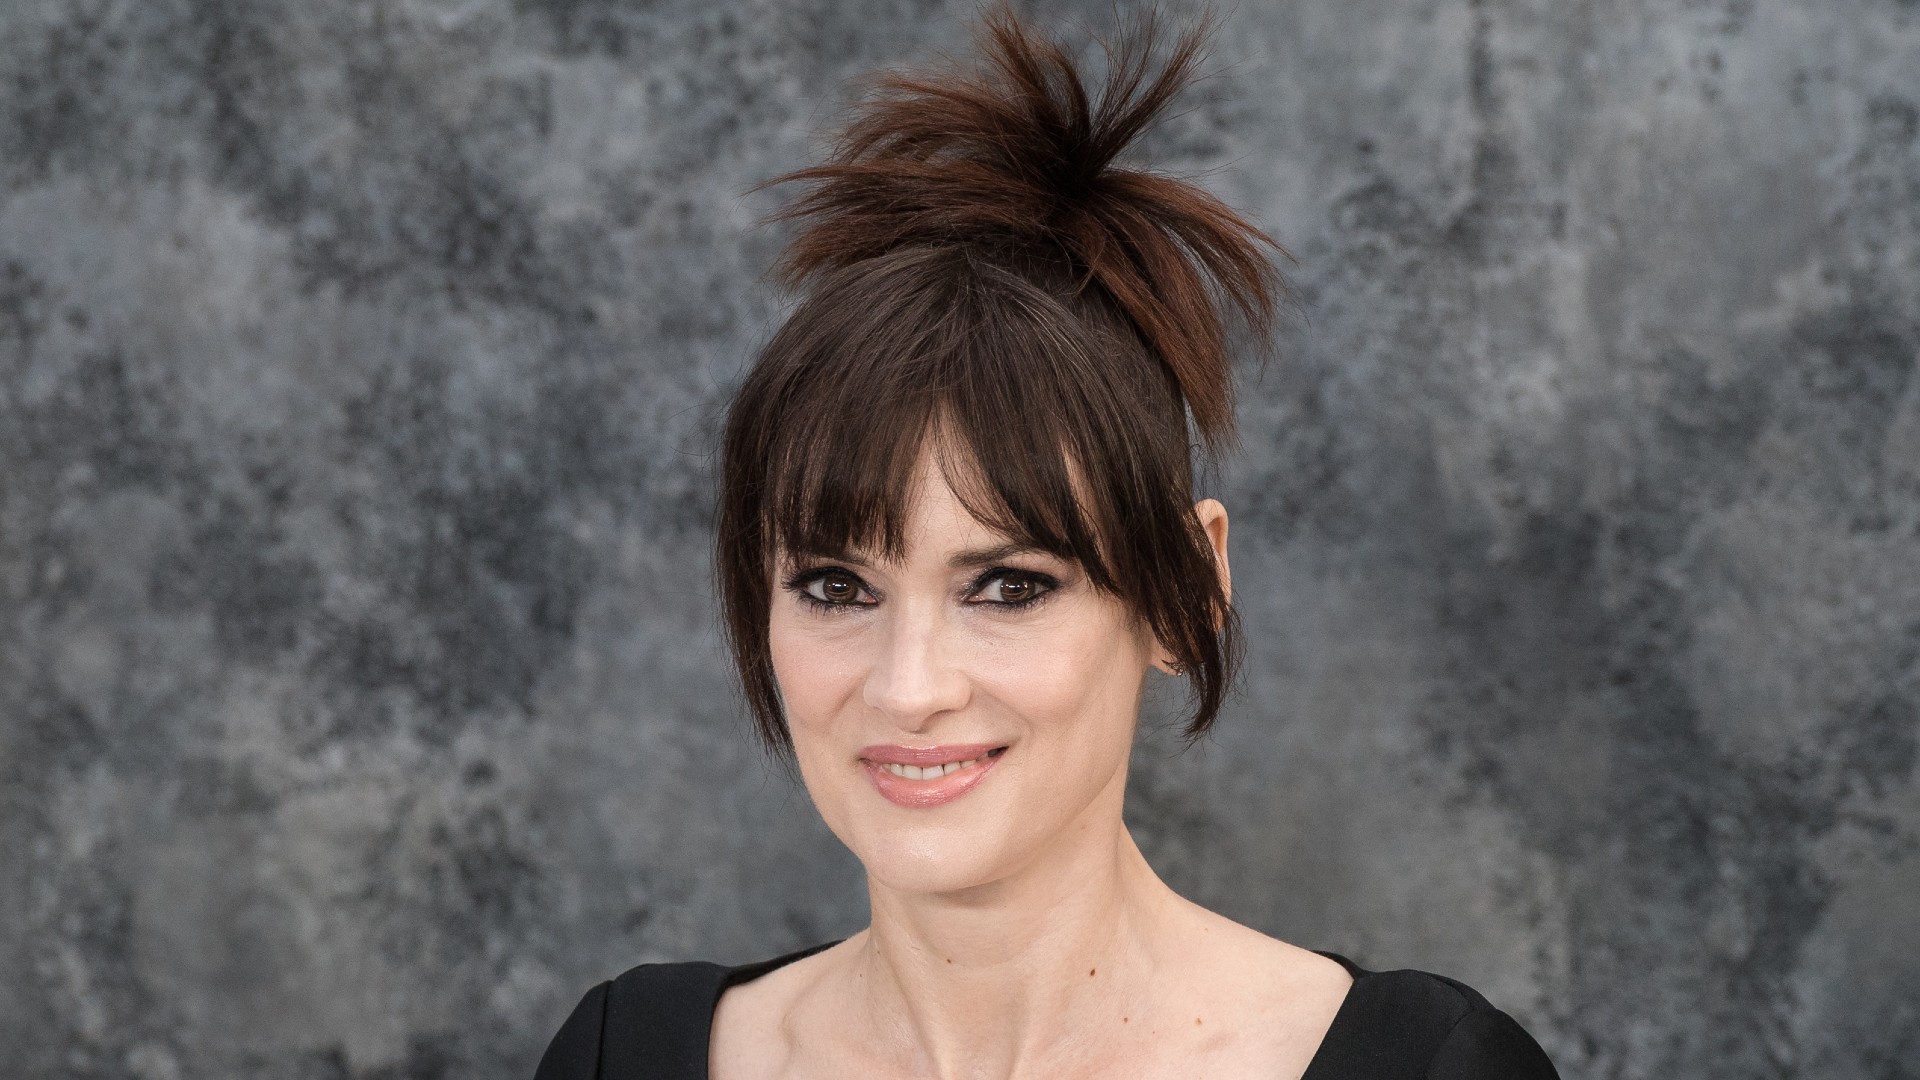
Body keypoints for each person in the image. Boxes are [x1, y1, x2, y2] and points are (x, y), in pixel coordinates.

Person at [535, 5, 1560, 1078]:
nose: (908, 686)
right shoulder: (627, 1055)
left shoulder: (1427, 1067)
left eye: (1009, 586)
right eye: (837, 587)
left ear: (1185, 592)